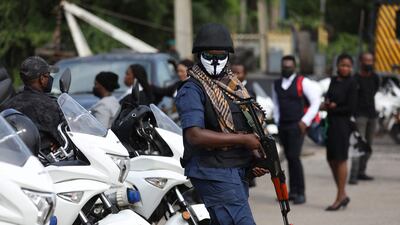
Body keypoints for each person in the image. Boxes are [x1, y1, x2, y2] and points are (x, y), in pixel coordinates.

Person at [175, 23, 267, 225]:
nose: (215, 61)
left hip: (234, 170)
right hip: (214, 171)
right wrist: (244, 141)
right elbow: (195, 135)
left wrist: (255, 158)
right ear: (199, 55)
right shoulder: (192, 89)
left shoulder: (232, 87)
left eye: (221, 55)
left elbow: (244, 125)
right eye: (209, 56)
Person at [271, 55, 321, 204]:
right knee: (289, 158)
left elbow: (316, 101)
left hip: (297, 125)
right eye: (284, 66)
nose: (286, 68)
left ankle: (301, 193)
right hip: (283, 125)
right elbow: (276, 104)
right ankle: (292, 192)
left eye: (289, 66)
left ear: (294, 67)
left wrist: (304, 121)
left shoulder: (302, 82)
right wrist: (278, 122)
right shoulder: (276, 84)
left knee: (295, 158)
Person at [0, 56, 63, 151]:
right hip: (46, 161)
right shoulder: (48, 105)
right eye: (48, 75)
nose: (50, 78)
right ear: (42, 79)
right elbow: (62, 139)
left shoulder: (10, 104)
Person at [321, 53, 357, 211]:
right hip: (331, 123)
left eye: (348, 66)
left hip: (343, 124)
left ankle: (340, 195)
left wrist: (336, 107)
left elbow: (352, 107)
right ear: (337, 66)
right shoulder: (334, 80)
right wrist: (326, 104)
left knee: (341, 159)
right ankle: (342, 194)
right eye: (342, 65)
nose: (345, 68)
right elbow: (329, 96)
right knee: (331, 159)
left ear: (352, 67)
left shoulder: (352, 83)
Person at [349, 52, 379, 183]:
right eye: (366, 61)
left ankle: (362, 171)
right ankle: (353, 175)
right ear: (361, 62)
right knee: (358, 146)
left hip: (372, 115)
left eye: (371, 61)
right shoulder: (355, 79)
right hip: (359, 116)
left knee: (368, 147)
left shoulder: (375, 77)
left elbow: (375, 91)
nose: (369, 63)